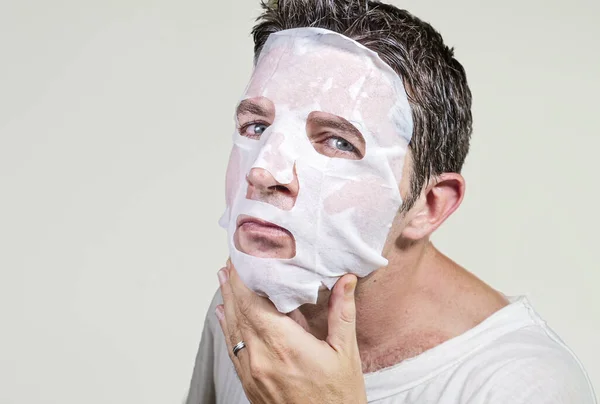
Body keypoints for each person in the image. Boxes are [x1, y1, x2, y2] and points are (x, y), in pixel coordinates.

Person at [186, 1, 596, 403]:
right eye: (256, 126)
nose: (263, 172)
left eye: (337, 141)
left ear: (429, 206)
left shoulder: (523, 388)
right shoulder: (243, 305)